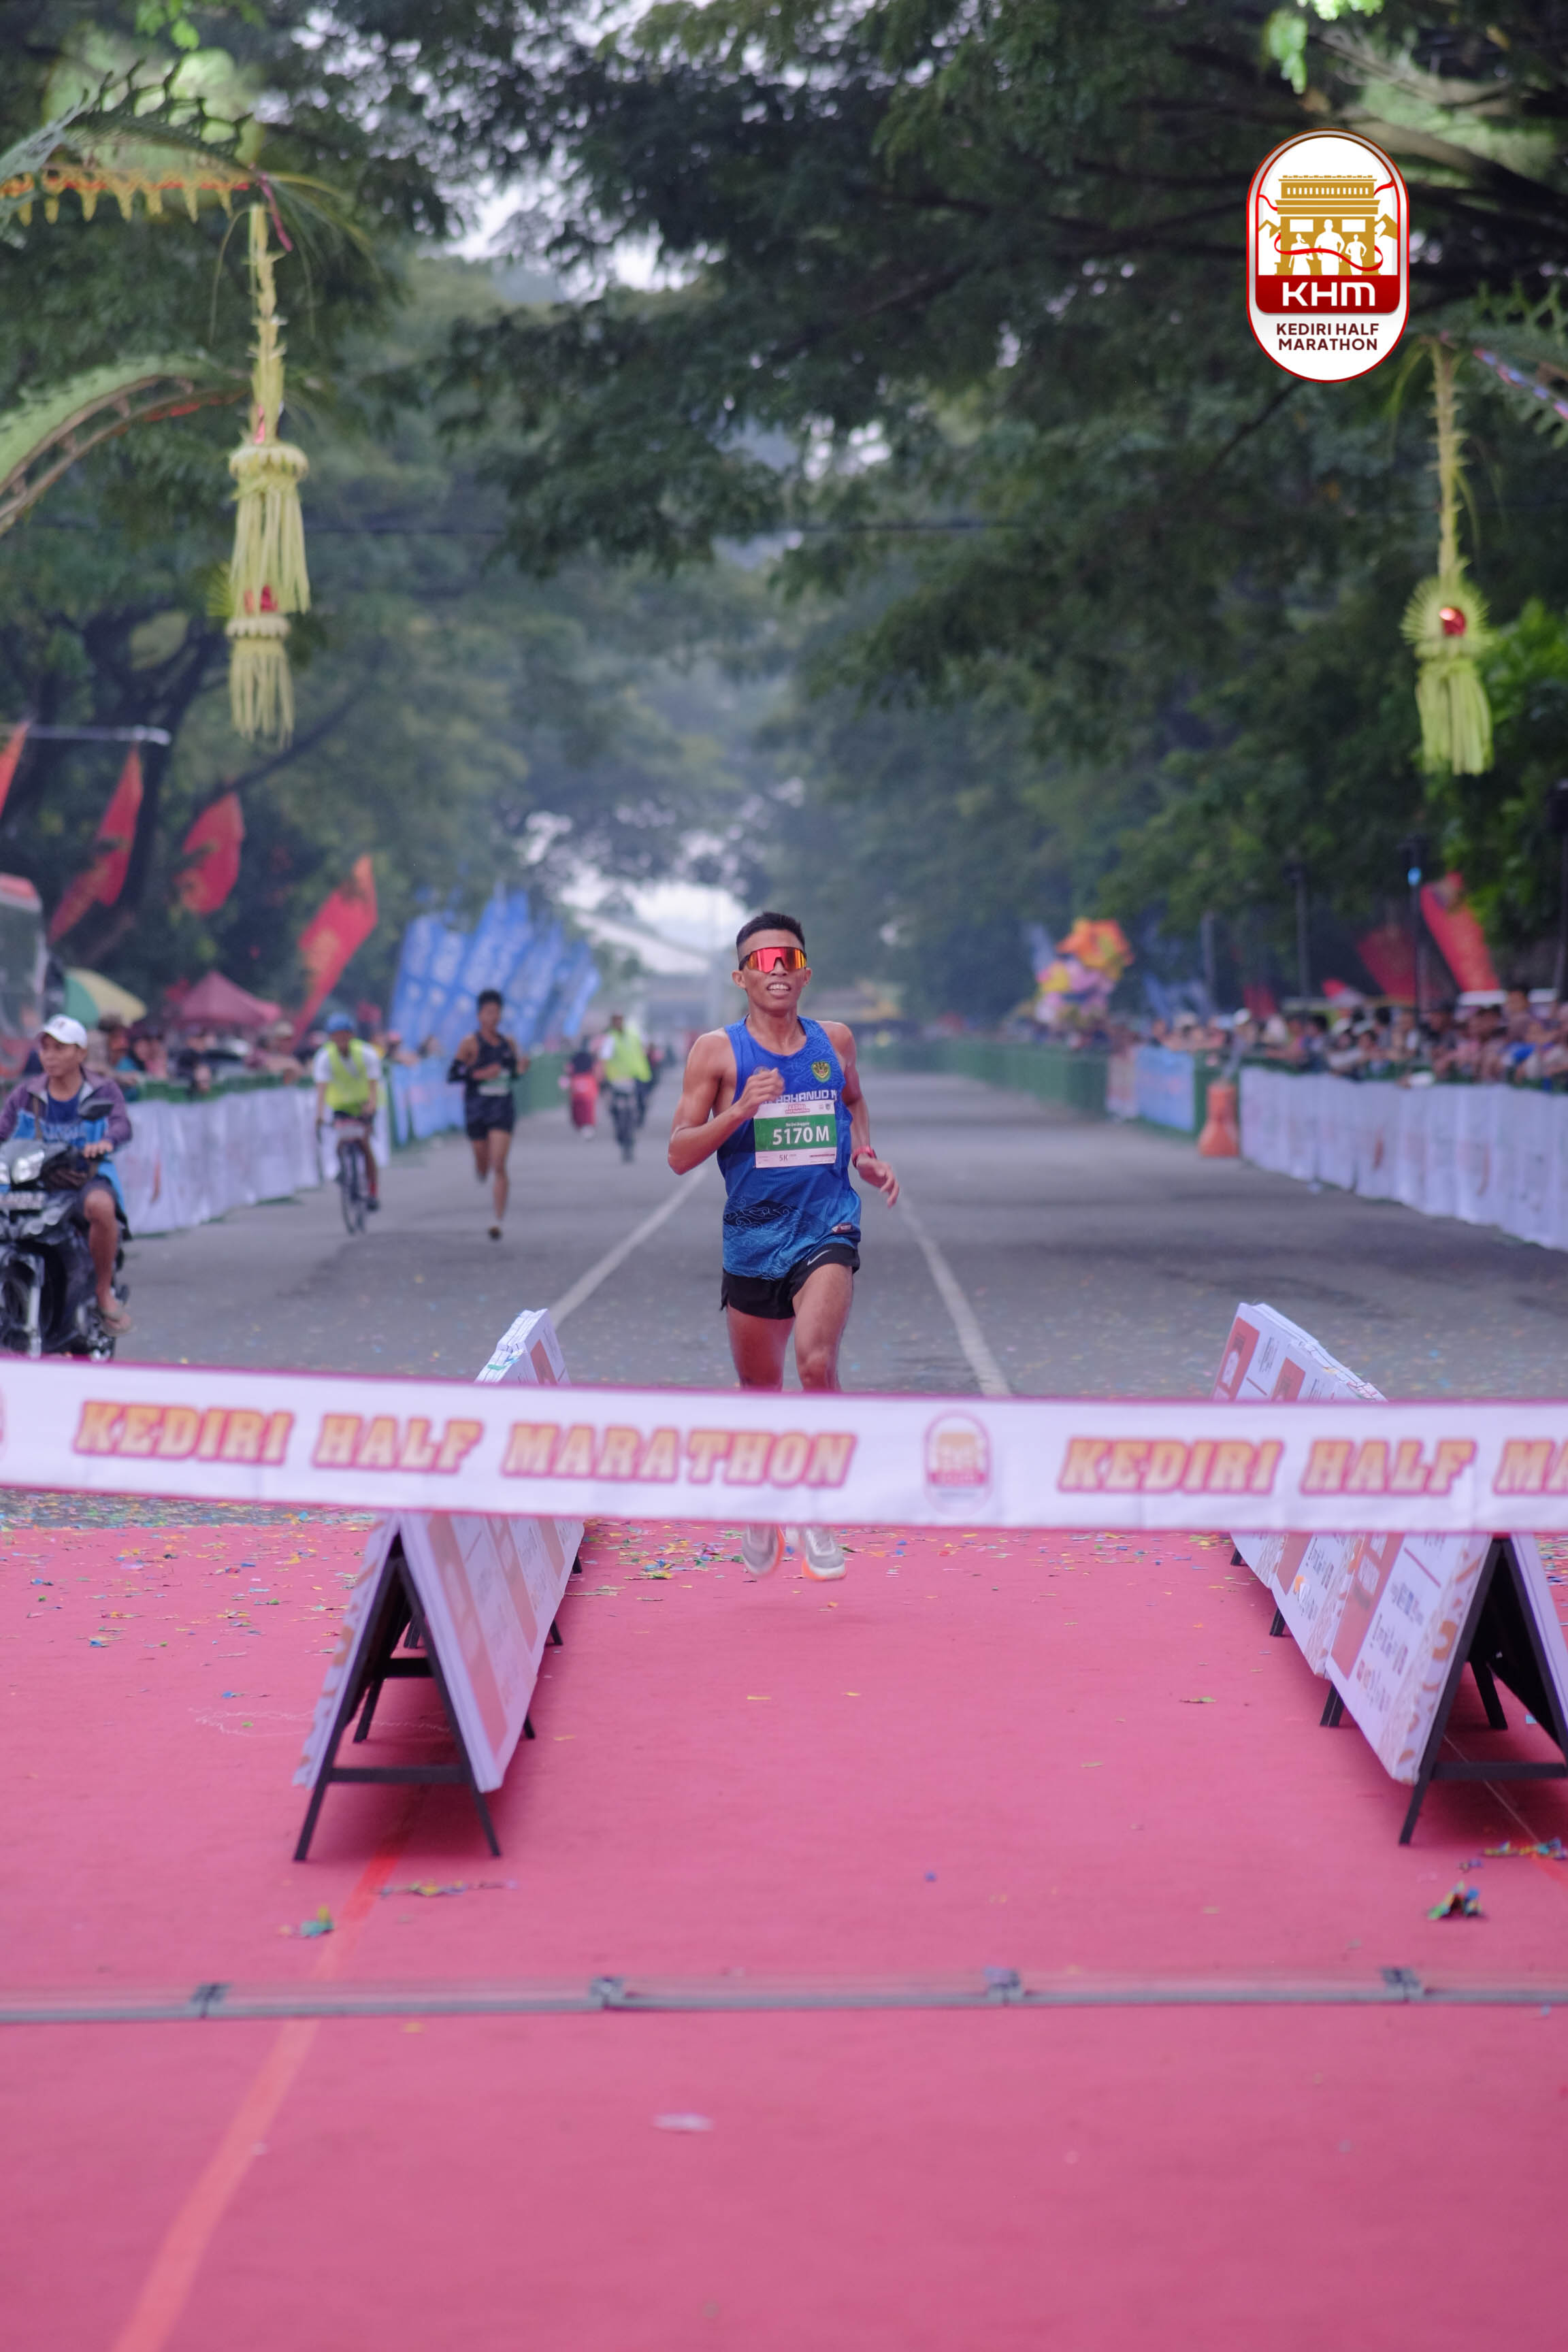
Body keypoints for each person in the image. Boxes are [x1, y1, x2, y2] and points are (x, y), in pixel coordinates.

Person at [667, 911, 898, 1583]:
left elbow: (852, 1100)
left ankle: (817, 1507)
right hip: (752, 1238)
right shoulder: (717, 1053)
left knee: (816, 1361)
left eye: (789, 960)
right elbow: (678, 1154)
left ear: (805, 973)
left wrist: (865, 1154)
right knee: (760, 1389)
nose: (778, 972)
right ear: (740, 977)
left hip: (827, 1226)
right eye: (763, 963)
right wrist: (741, 1110)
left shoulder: (836, 1040)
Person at [0, 1013, 133, 1333]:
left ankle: (103, 1292)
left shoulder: (102, 1090)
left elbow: (121, 1125)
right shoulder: (26, 1094)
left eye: (60, 1048)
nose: (50, 1056)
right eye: (45, 1048)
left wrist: (106, 1141)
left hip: (85, 1178)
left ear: (81, 1053)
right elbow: (3, 1132)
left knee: (101, 1208)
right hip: (31, 1182)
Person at [448, 989, 528, 1239]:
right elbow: (453, 1074)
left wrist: (520, 1070)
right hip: (477, 1108)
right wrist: (480, 1074)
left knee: (499, 1164)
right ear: (480, 1015)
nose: (493, 1017)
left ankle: (497, 1220)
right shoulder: (469, 1044)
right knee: (483, 1164)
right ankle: (480, 1168)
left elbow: (512, 1074)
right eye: (489, 1012)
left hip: (502, 1107)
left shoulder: (508, 1044)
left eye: (497, 1012)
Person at [311, 1013, 382, 1211]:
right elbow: (321, 1089)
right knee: (341, 1141)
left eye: (344, 1034)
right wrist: (319, 1114)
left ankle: (372, 1191)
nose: (340, 1039)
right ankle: (343, 1170)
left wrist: (371, 1105)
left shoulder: (366, 1053)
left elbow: (373, 1085)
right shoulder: (324, 1057)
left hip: (362, 1104)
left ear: (351, 1035)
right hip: (341, 1106)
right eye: (336, 1035)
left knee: (364, 1144)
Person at [598, 1012, 653, 1161]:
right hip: (617, 1080)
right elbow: (604, 1058)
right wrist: (602, 1077)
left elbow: (646, 1046)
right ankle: (620, 1130)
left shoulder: (635, 1033)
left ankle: (637, 1124)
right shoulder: (610, 1038)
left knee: (642, 1103)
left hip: (637, 1077)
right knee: (615, 1108)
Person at [564, 1041, 600, 1137]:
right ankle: (587, 1126)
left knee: (578, 1107)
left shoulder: (574, 1058)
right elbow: (596, 1071)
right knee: (588, 1107)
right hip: (588, 1083)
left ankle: (582, 1125)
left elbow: (568, 1069)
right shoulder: (591, 1058)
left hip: (577, 1083)